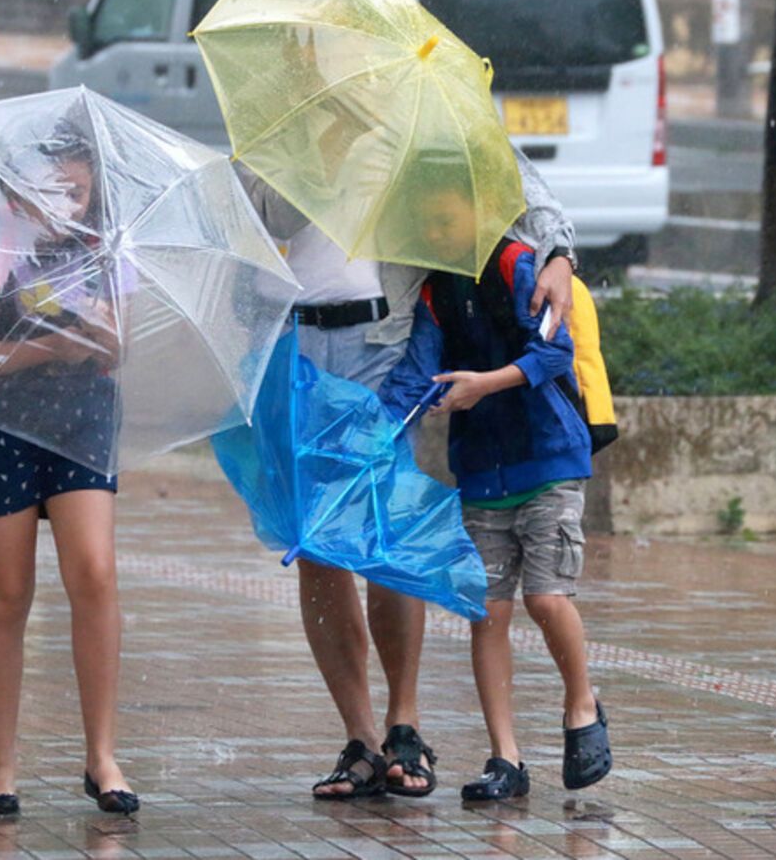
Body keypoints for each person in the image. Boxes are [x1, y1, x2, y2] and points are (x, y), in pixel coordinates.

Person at [237, 149, 576, 799]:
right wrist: (324, 137)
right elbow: (264, 211)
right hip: (295, 343)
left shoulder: (412, 103)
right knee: (318, 543)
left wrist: (558, 251)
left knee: (381, 534)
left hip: (383, 339)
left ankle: (404, 723)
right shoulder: (282, 121)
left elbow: (513, 177)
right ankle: (360, 737)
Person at [377, 178, 612, 802]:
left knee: (546, 599)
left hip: (548, 459)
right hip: (481, 472)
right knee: (488, 613)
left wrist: (485, 383)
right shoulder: (434, 293)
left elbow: (553, 353)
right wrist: (376, 431)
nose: (438, 225)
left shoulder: (517, 265)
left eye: (447, 209)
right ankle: (505, 758)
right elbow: (417, 372)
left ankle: (581, 703)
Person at [0, 130, 140, 817]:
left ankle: (103, 755)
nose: (69, 202)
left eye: (80, 191)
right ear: (24, 181)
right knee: (7, 590)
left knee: (94, 571)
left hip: (81, 414)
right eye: (58, 188)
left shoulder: (103, 247)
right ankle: (1, 766)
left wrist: (104, 337)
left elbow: (121, 348)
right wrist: (45, 345)